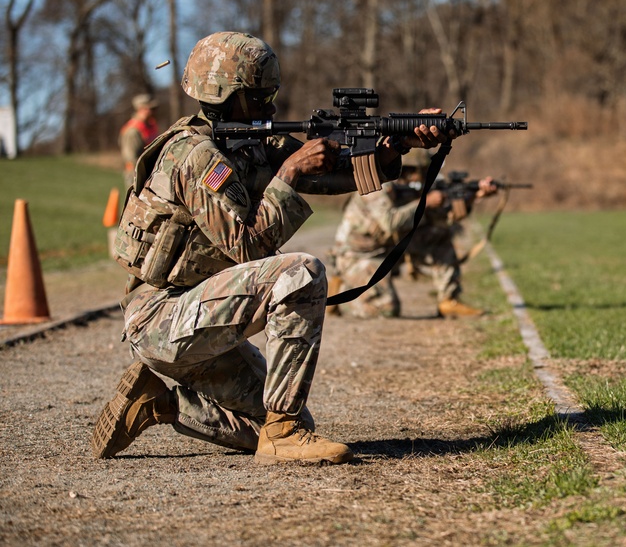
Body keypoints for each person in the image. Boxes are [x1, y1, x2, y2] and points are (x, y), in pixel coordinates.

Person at [91, 31, 449, 465]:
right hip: (162, 319)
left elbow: (330, 177)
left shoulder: (248, 144)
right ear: (228, 96)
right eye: (261, 96)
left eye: (271, 93)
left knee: (279, 417)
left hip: (199, 316)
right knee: (299, 273)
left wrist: (397, 144)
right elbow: (249, 251)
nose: (272, 105)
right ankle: (283, 434)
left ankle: (159, 403)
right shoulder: (195, 157)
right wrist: (289, 177)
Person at [327, 149, 497, 319]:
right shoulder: (376, 185)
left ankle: (448, 300)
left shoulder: (415, 188)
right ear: (408, 169)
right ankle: (343, 288)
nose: (424, 175)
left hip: (391, 249)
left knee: (439, 234)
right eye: (421, 170)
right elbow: (390, 223)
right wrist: (426, 201)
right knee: (385, 309)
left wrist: (474, 196)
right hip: (358, 254)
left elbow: (440, 218)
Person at [119, 93, 160, 187]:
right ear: (141, 109)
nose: (154, 112)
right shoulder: (133, 130)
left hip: (151, 173)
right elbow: (131, 158)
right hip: (138, 175)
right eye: (151, 109)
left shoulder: (150, 125)